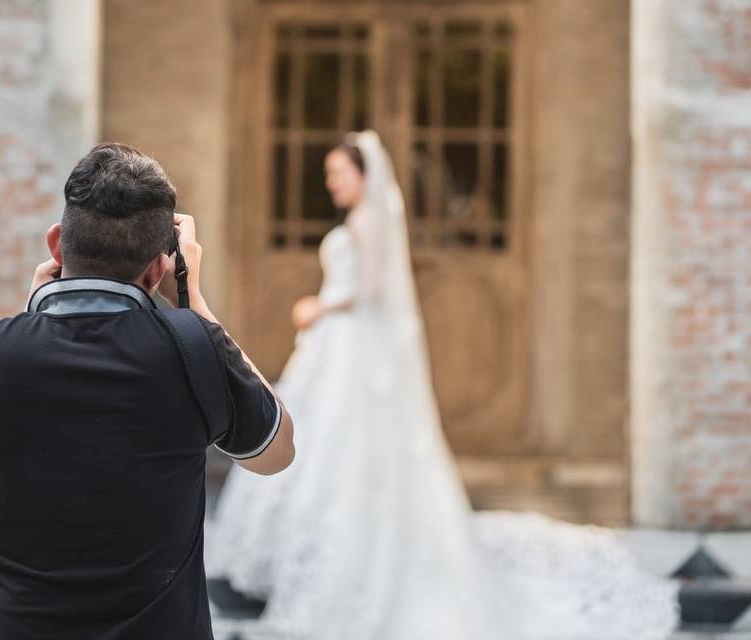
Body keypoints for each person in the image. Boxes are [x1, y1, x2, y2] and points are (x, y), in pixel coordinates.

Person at [208, 131, 679, 640]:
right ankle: (314, 557)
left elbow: (370, 290)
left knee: (341, 448)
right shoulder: (363, 221)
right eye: (330, 175)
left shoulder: (366, 224)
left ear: (364, 176)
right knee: (330, 447)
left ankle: (351, 563)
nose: (332, 184)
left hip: (348, 338)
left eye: (339, 174)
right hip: (341, 346)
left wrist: (317, 307)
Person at [0, 142, 295, 639]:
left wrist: (35, 317)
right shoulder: (194, 348)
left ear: (57, 245)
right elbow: (276, 452)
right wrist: (194, 300)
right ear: (160, 267)